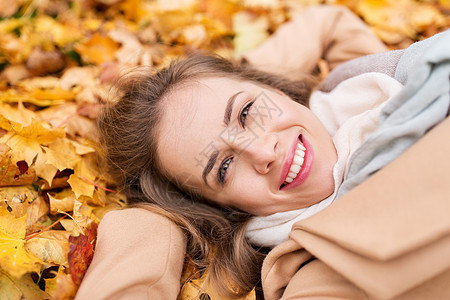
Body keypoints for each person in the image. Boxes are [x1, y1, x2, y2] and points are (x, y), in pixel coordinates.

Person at [75, 5, 450, 300]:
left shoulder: (368, 96)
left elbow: (326, 22)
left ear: (278, 88)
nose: (261, 151)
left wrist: (249, 77)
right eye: (223, 168)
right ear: (226, 210)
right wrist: (148, 223)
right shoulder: (320, 271)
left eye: (246, 113)